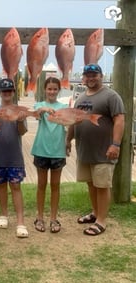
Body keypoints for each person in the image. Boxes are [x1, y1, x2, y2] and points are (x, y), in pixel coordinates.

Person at [66, 63, 125, 236]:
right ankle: (95, 213)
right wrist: (68, 139)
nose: (91, 78)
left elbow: (120, 121)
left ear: (101, 76)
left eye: (94, 75)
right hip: (85, 151)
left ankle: (101, 221)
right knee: (91, 184)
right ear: (84, 77)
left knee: (102, 185)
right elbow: (74, 120)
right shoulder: (81, 97)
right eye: (88, 75)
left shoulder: (111, 96)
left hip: (103, 151)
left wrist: (115, 144)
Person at [0, 78, 29, 238]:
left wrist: (20, 120)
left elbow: (22, 132)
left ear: (13, 93)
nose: (6, 93)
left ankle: (20, 221)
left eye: (9, 91)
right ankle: (3, 215)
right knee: (1, 185)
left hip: (15, 156)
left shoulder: (19, 111)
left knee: (16, 186)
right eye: (4, 91)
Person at [31, 77, 68, 233]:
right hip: (41, 150)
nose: (52, 91)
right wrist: (44, 109)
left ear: (59, 90)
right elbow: (36, 114)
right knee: (41, 185)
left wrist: (69, 141)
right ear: (44, 90)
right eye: (49, 89)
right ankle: (40, 217)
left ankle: (53, 218)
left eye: (55, 89)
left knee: (55, 186)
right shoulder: (39, 105)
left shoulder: (64, 106)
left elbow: (68, 125)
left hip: (58, 150)